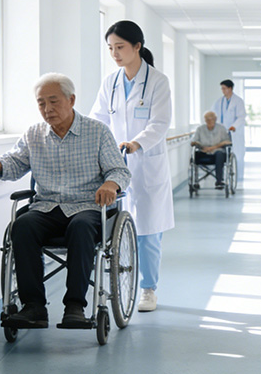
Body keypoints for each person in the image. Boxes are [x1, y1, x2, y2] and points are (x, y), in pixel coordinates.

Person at [0, 73, 131, 329]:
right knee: (22, 226)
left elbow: (119, 170)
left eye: (53, 101)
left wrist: (111, 183)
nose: (47, 109)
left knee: (80, 228)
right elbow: (15, 161)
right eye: (41, 103)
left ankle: (75, 306)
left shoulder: (97, 132)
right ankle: (34, 307)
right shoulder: (34, 134)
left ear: (71, 100)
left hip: (87, 207)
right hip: (47, 207)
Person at [90, 20, 174, 313]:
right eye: (111, 48)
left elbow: (160, 122)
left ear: (137, 46)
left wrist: (137, 143)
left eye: (120, 47)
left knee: (149, 231)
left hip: (145, 162)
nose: (115, 53)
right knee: (115, 229)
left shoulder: (158, 81)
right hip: (114, 165)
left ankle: (148, 289)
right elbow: (98, 118)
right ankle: (119, 280)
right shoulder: (109, 82)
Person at [211, 79, 246, 179]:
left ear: (230, 88)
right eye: (222, 88)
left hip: (234, 132)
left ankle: (238, 177)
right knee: (222, 154)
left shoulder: (238, 101)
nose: (222, 90)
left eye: (224, 88)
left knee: (237, 155)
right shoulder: (219, 102)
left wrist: (234, 126)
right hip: (222, 133)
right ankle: (222, 177)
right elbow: (213, 114)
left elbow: (241, 117)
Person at [190, 111, 232, 189]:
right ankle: (195, 181)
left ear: (215, 119)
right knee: (195, 155)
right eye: (207, 119)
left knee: (219, 154)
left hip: (218, 152)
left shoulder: (221, 128)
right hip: (203, 151)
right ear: (205, 120)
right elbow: (194, 141)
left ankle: (219, 181)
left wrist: (213, 147)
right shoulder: (200, 129)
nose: (209, 121)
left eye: (211, 119)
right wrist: (200, 145)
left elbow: (228, 141)